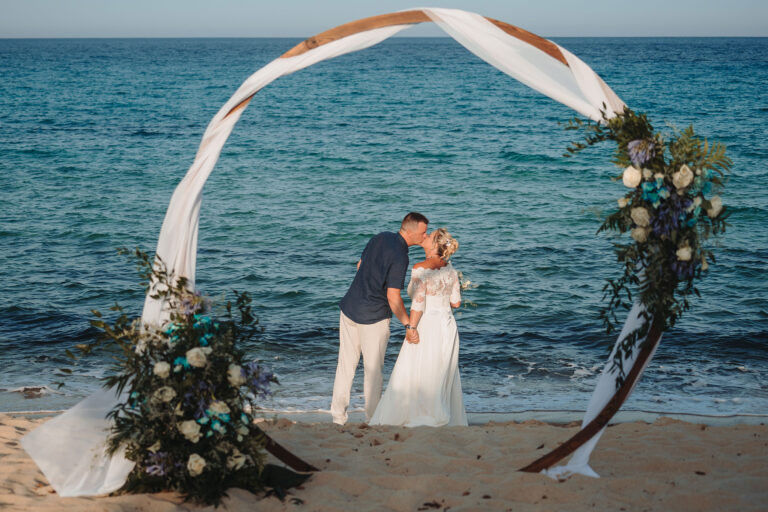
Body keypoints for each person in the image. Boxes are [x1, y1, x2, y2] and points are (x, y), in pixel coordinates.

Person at [331, 212, 429, 425]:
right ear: (410, 231)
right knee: (373, 373)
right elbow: (393, 297)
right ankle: (373, 418)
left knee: (345, 366)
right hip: (373, 317)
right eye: (423, 232)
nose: (425, 236)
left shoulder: (380, 236)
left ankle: (338, 418)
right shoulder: (401, 256)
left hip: (349, 307)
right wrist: (408, 325)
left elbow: (359, 265)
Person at [369, 228, 468, 427]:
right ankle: (442, 414)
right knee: (441, 371)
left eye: (430, 236)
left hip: (427, 324)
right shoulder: (450, 269)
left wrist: (411, 327)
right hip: (447, 326)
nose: (426, 236)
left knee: (414, 368)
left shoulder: (420, 268)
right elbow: (456, 302)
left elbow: (418, 304)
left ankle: (418, 415)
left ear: (434, 245)